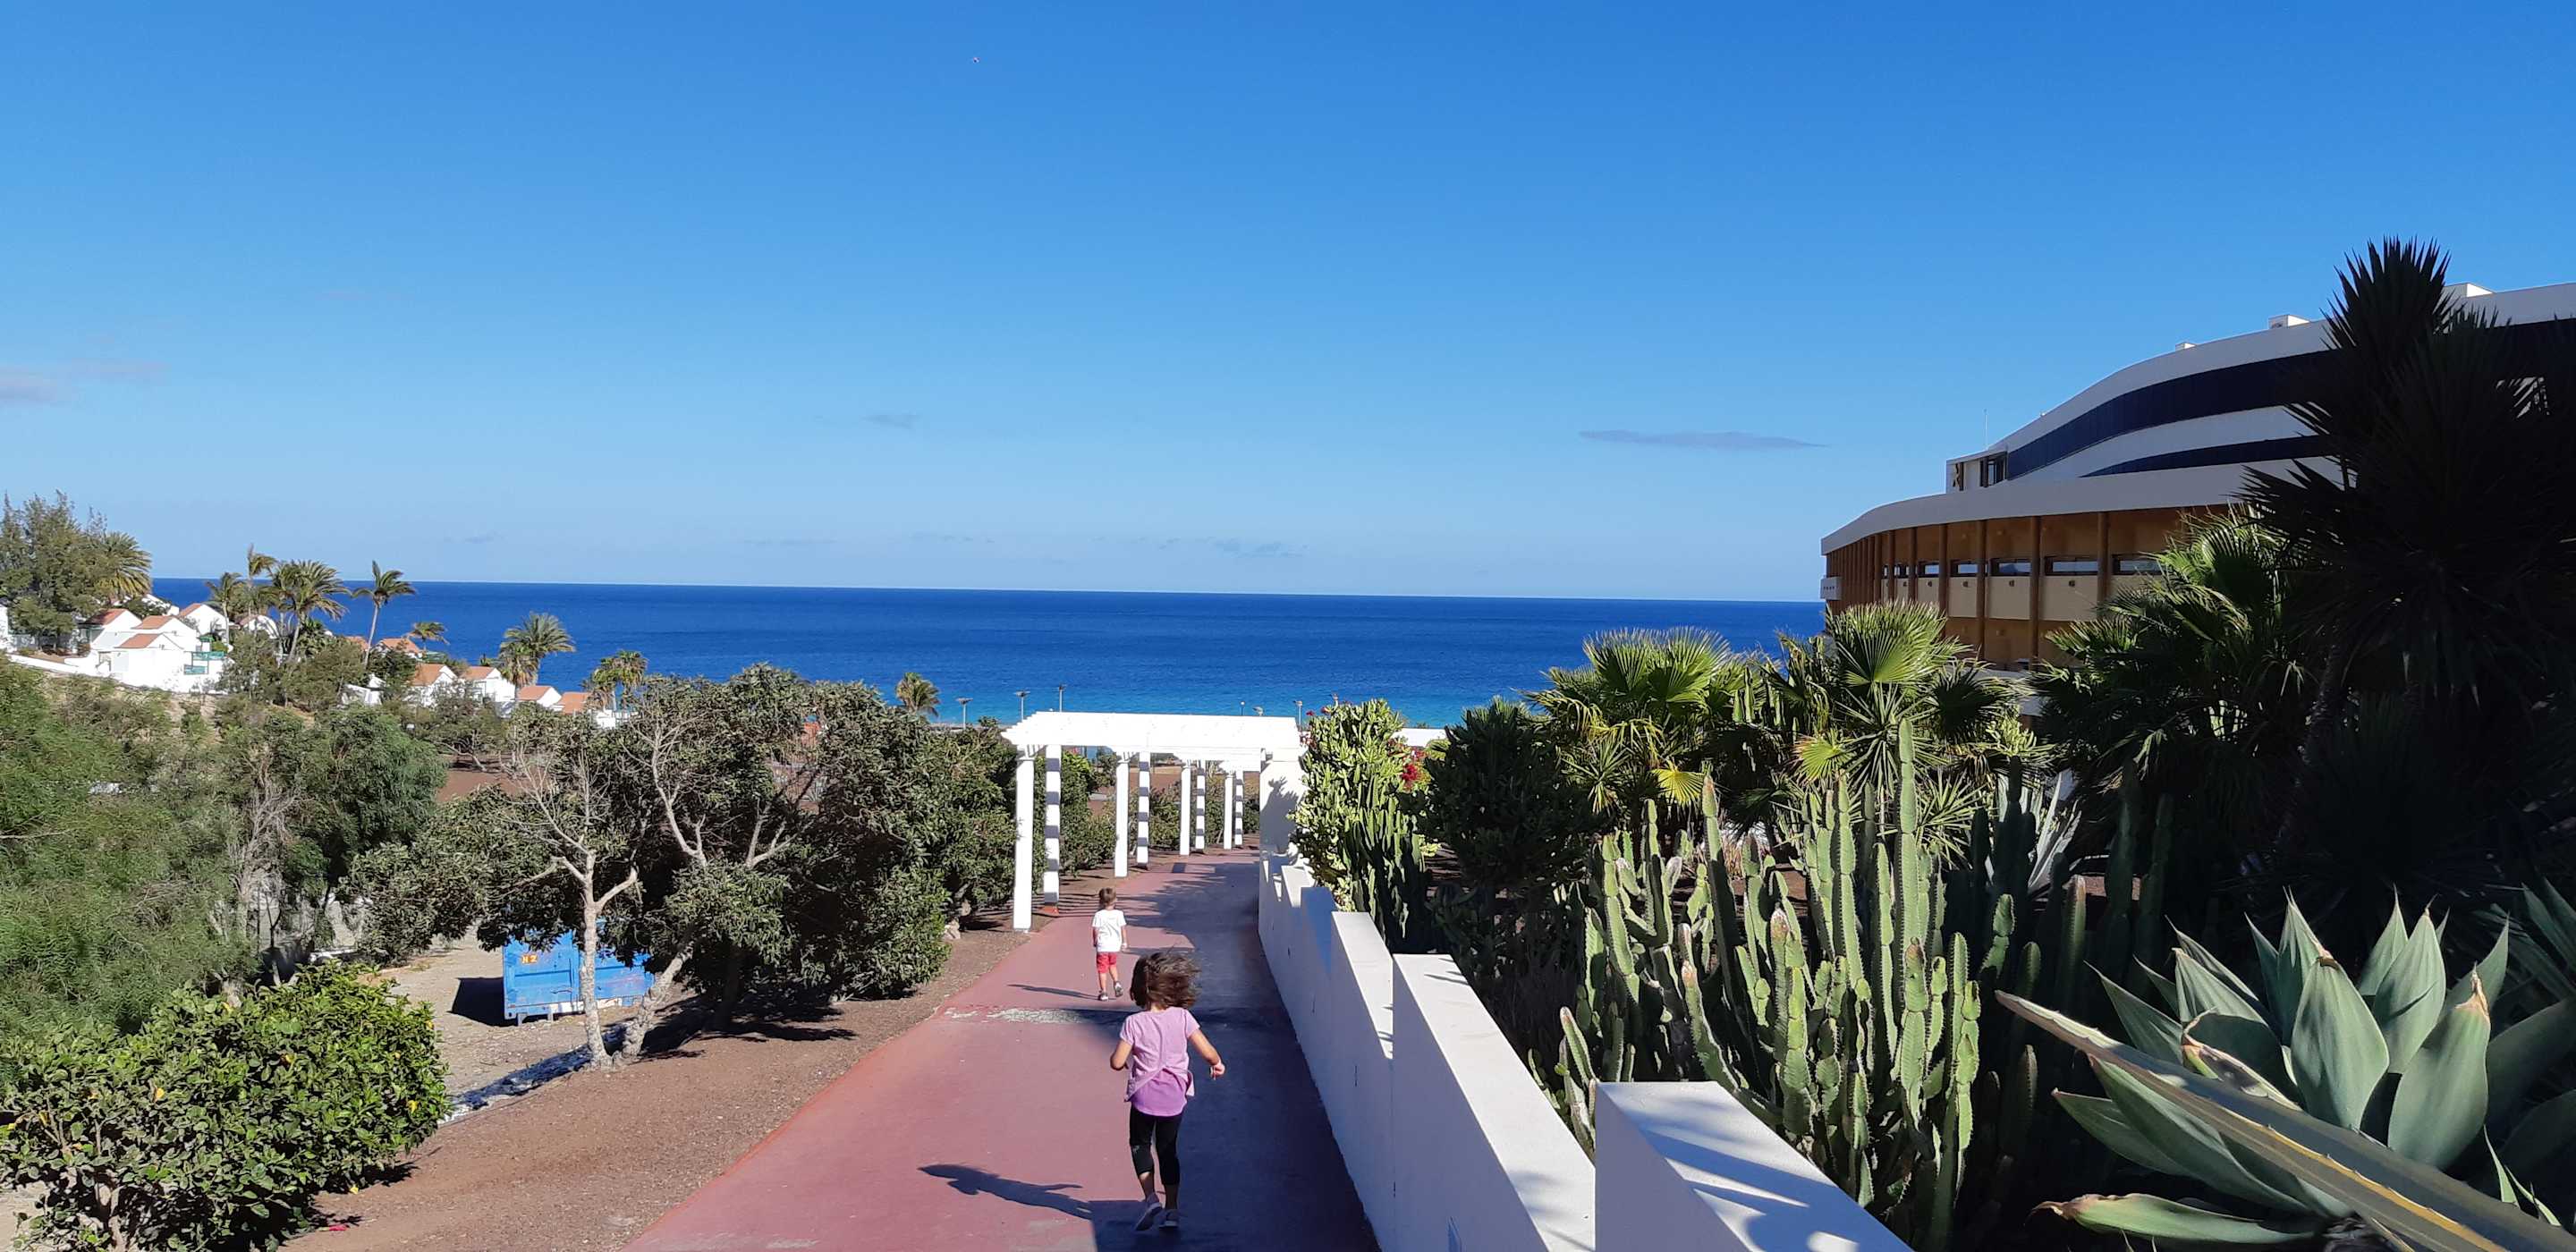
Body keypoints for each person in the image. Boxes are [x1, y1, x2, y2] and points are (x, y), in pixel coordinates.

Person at [1111, 951, 1224, 1233]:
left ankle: (1151, 1199)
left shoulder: (1134, 1024)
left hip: (1144, 1096)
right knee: (1167, 1149)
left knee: (1140, 1144)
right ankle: (1172, 1209)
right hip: (1174, 1097)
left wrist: (1124, 1059)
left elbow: (1116, 1062)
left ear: (1139, 988)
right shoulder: (1183, 1017)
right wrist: (1217, 1063)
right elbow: (1207, 1052)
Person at [1090, 887, 1127, 1001]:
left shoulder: (1099, 915)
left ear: (1101, 901)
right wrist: (1124, 942)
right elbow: (1123, 929)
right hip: (1115, 945)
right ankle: (1116, 982)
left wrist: (1095, 941)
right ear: (1115, 900)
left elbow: (1096, 930)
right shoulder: (1119, 914)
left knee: (1102, 970)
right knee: (1113, 965)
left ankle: (1104, 992)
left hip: (1103, 946)